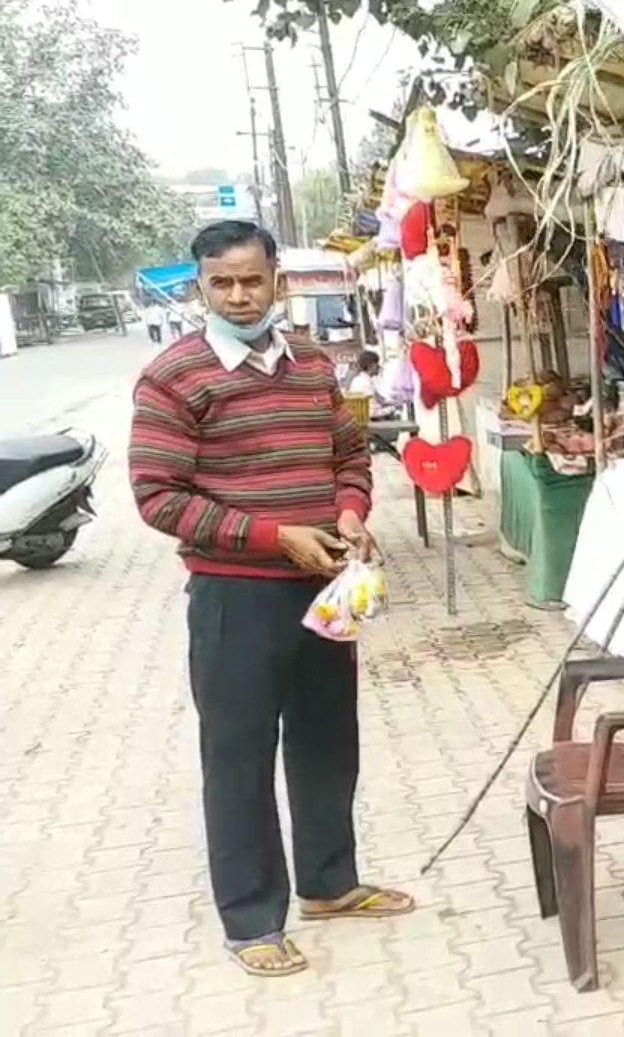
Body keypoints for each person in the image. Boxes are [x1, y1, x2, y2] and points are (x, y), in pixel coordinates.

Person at [127, 220, 415, 978]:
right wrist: (272, 535)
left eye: (252, 280)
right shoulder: (174, 376)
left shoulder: (313, 364)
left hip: (326, 589)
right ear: (201, 288)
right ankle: (253, 919)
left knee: (328, 741)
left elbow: (349, 454)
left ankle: (329, 884)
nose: (239, 294)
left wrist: (351, 510)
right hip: (235, 597)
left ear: (278, 281)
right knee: (239, 756)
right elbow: (158, 498)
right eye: (221, 282)